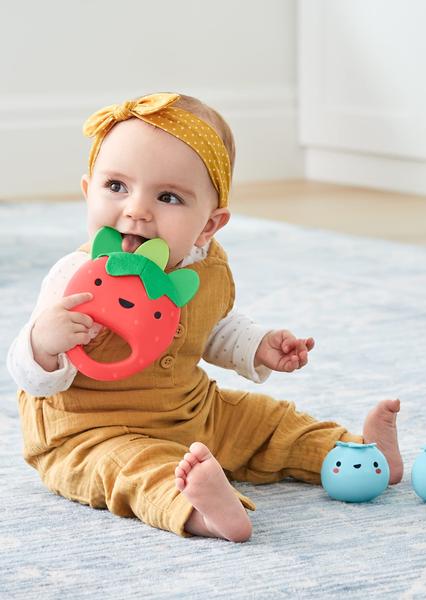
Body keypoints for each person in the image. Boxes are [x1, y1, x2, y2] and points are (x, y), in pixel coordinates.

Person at [7, 92, 403, 543]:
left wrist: (258, 344)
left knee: (266, 422)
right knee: (138, 471)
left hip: (192, 411)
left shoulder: (205, 266)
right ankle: (203, 510)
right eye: (116, 186)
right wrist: (44, 341)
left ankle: (359, 456)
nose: (136, 209)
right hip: (91, 430)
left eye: (168, 196)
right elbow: (26, 376)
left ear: (209, 225)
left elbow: (213, 327)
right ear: (87, 191)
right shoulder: (74, 277)